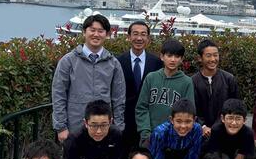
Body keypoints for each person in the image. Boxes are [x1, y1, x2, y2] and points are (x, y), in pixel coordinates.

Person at [52, 14, 126, 140]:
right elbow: (58, 95)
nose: (96, 34)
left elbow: (119, 99)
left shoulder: (113, 63)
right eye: (92, 30)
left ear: (107, 34)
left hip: (104, 130)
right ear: (84, 32)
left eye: (100, 31)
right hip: (74, 128)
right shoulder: (68, 61)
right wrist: (61, 127)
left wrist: (118, 128)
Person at [136, 38, 195, 146]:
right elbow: (141, 107)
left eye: (177, 56)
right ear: (162, 57)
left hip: (174, 138)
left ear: (181, 59)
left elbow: (188, 113)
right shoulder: (151, 78)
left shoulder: (187, 82)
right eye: (169, 56)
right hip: (149, 137)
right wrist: (145, 133)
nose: (173, 60)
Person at [117, 21, 163, 150]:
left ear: (148, 38)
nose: (139, 38)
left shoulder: (157, 62)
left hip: (148, 121)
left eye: (143, 34)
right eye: (135, 34)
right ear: (129, 37)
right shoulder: (118, 61)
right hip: (124, 120)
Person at [191, 39, 240, 137]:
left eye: (215, 55)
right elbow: (192, 108)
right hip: (200, 133)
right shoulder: (193, 81)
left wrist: (219, 125)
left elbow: (235, 106)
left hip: (225, 131)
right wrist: (202, 126)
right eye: (208, 55)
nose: (213, 59)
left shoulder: (229, 79)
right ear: (200, 58)